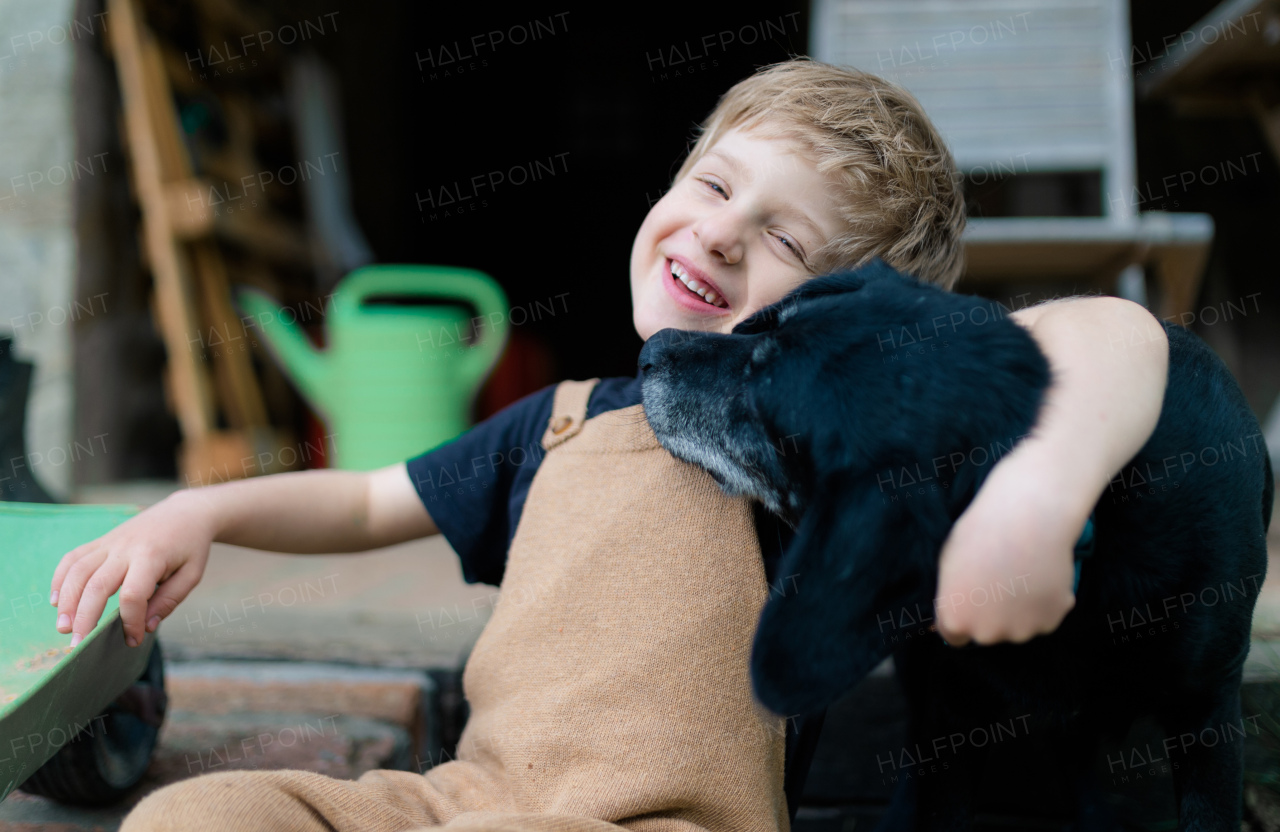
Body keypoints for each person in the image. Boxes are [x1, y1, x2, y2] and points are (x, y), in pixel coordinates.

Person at [51, 60, 1167, 832]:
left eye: (783, 237)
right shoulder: (563, 419)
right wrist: (199, 513)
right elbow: (360, 505)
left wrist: (1038, 493)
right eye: (714, 184)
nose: (721, 231)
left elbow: (1107, 331)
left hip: (665, 820)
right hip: (466, 800)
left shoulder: (832, 444)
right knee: (200, 812)